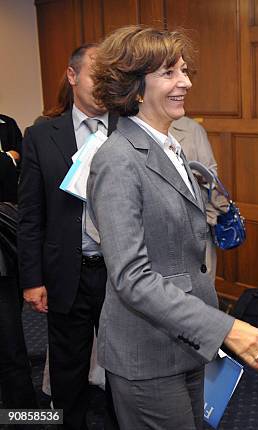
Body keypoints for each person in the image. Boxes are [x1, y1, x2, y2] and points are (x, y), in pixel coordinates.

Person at [88, 25, 258, 429]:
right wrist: (225, 327)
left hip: (187, 345)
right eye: (170, 73)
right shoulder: (118, 159)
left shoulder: (172, 148)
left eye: (184, 71)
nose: (185, 83)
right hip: (148, 355)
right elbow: (132, 277)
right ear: (135, 86)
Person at [18, 43, 118, 429]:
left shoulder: (127, 129)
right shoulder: (42, 136)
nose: (105, 87)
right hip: (66, 273)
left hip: (120, 273)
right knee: (67, 371)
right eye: (98, 77)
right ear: (72, 76)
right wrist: (32, 280)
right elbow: (30, 215)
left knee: (123, 369)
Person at [170, 116, 219, 282]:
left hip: (196, 219)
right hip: (163, 226)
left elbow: (212, 174)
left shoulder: (192, 129)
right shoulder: (135, 129)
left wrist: (194, 177)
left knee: (202, 283)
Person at [0, 113, 21, 203]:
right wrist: (9, 156)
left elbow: (21, 154)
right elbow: (14, 155)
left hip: (11, 184)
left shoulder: (8, 122)